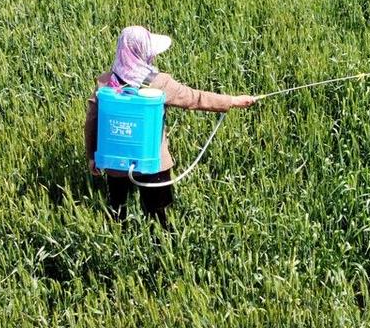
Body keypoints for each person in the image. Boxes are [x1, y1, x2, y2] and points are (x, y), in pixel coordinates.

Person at [84, 26, 255, 230]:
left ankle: (121, 243)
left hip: (115, 164)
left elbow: (91, 123)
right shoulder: (159, 83)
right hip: (153, 163)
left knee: (117, 211)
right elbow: (195, 98)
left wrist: (92, 156)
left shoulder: (105, 84)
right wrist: (232, 101)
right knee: (160, 216)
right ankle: (163, 249)